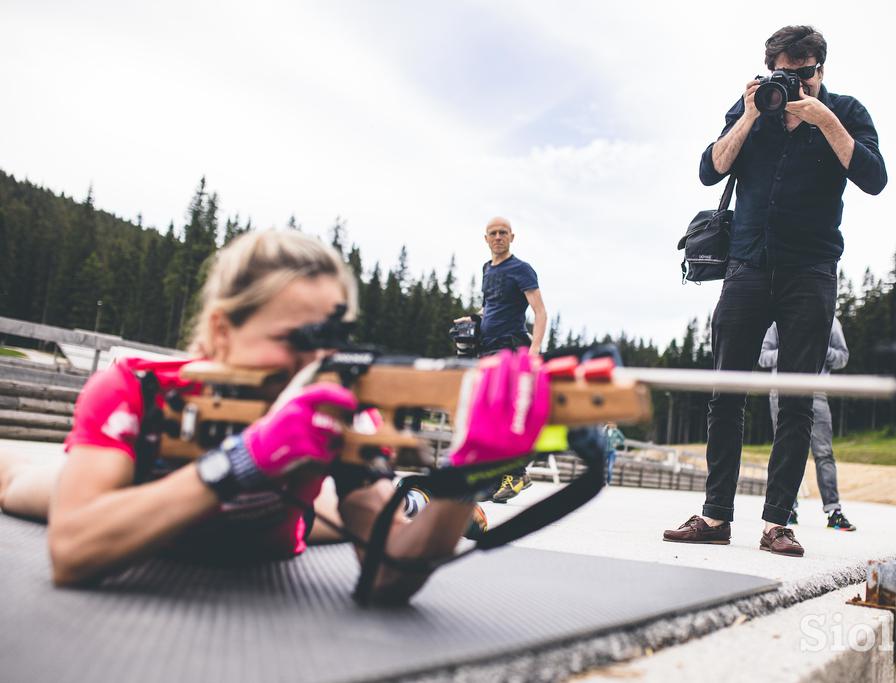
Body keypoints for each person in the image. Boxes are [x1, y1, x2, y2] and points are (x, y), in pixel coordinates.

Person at [0, 230, 549, 604]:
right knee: (18, 482)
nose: (311, 364)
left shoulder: (343, 405)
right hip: (139, 487)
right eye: (292, 339)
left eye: (328, 340)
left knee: (342, 507)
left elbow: (387, 575)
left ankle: (414, 499)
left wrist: (469, 476)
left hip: (292, 520)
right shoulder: (135, 390)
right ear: (221, 332)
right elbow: (73, 550)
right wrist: (247, 460)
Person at [663, 26, 885, 557]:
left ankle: (777, 522)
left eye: (805, 72)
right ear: (770, 69)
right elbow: (708, 170)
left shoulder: (846, 111)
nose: (796, 82)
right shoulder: (755, 108)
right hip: (747, 265)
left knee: (797, 398)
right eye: (785, 72)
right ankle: (716, 515)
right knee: (726, 393)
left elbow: (874, 178)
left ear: (821, 70)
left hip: (811, 270)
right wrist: (747, 115)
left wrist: (824, 119)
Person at [454, 216, 548, 504]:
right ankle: (495, 479)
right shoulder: (487, 269)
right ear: (486, 239)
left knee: (504, 414)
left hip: (510, 350)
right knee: (485, 415)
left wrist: (533, 352)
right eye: (493, 233)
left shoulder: (521, 269)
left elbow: (540, 311)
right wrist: (472, 319)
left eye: (503, 232)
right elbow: (490, 307)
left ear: (512, 237)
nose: (498, 237)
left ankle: (517, 473)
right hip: (485, 349)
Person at [759, 318, 856, 531]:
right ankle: (785, 510)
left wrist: (820, 349)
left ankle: (833, 511)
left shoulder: (831, 320)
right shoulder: (776, 322)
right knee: (783, 451)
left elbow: (842, 357)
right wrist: (789, 349)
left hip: (816, 392)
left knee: (824, 453)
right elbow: (762, 357)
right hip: (780, 391)